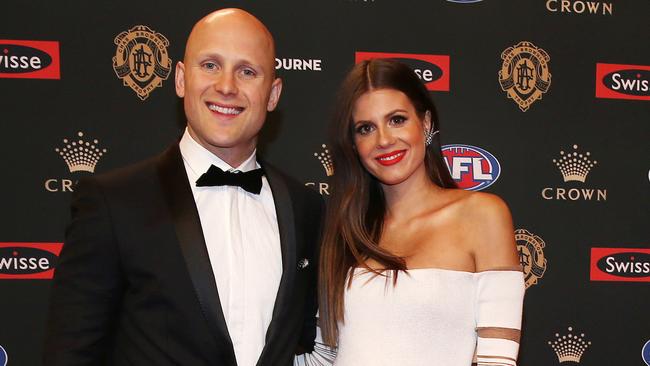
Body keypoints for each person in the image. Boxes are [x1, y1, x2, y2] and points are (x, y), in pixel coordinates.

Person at [44, 8, 322, 366]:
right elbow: (70, 355)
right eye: (209, 65)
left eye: (247, 71)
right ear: (179, 79)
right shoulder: (113, 203)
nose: (226, 86)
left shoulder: (306, 209)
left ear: (273, 93)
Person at [313, 59, 525, 366]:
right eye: (366, 128)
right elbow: (323, 354)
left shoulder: (482, 216)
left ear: (424, 123)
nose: (384, 140)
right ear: (353, 143)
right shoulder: (343, 231)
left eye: (397, 120)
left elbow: (498, 359)